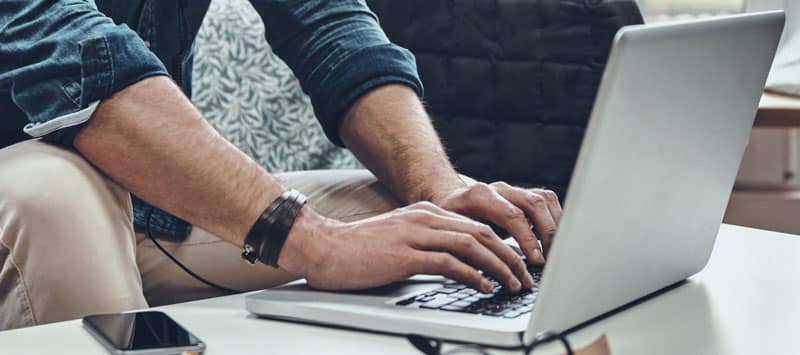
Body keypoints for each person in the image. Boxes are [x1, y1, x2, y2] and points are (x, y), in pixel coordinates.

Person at [0, 0, 561, 330]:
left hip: (149, 213)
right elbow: (71, 52)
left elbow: (328, 21)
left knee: (426, 225)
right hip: (27, 199)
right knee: (56, 196)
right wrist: (315, 242)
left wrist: (436, 186)